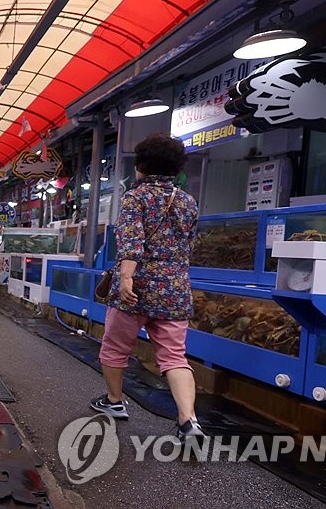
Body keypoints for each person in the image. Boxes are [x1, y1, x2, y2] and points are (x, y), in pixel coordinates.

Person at [89, 133, 204, 438]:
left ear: (141, 166)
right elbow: (189, 246)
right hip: (175, 290)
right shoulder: (188, 202)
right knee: (175, 357)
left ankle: (114, 401)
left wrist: (126, 277)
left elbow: (130, 242)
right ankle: (187, 419)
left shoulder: (135, 197)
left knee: (115, 348)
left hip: (136, 288)